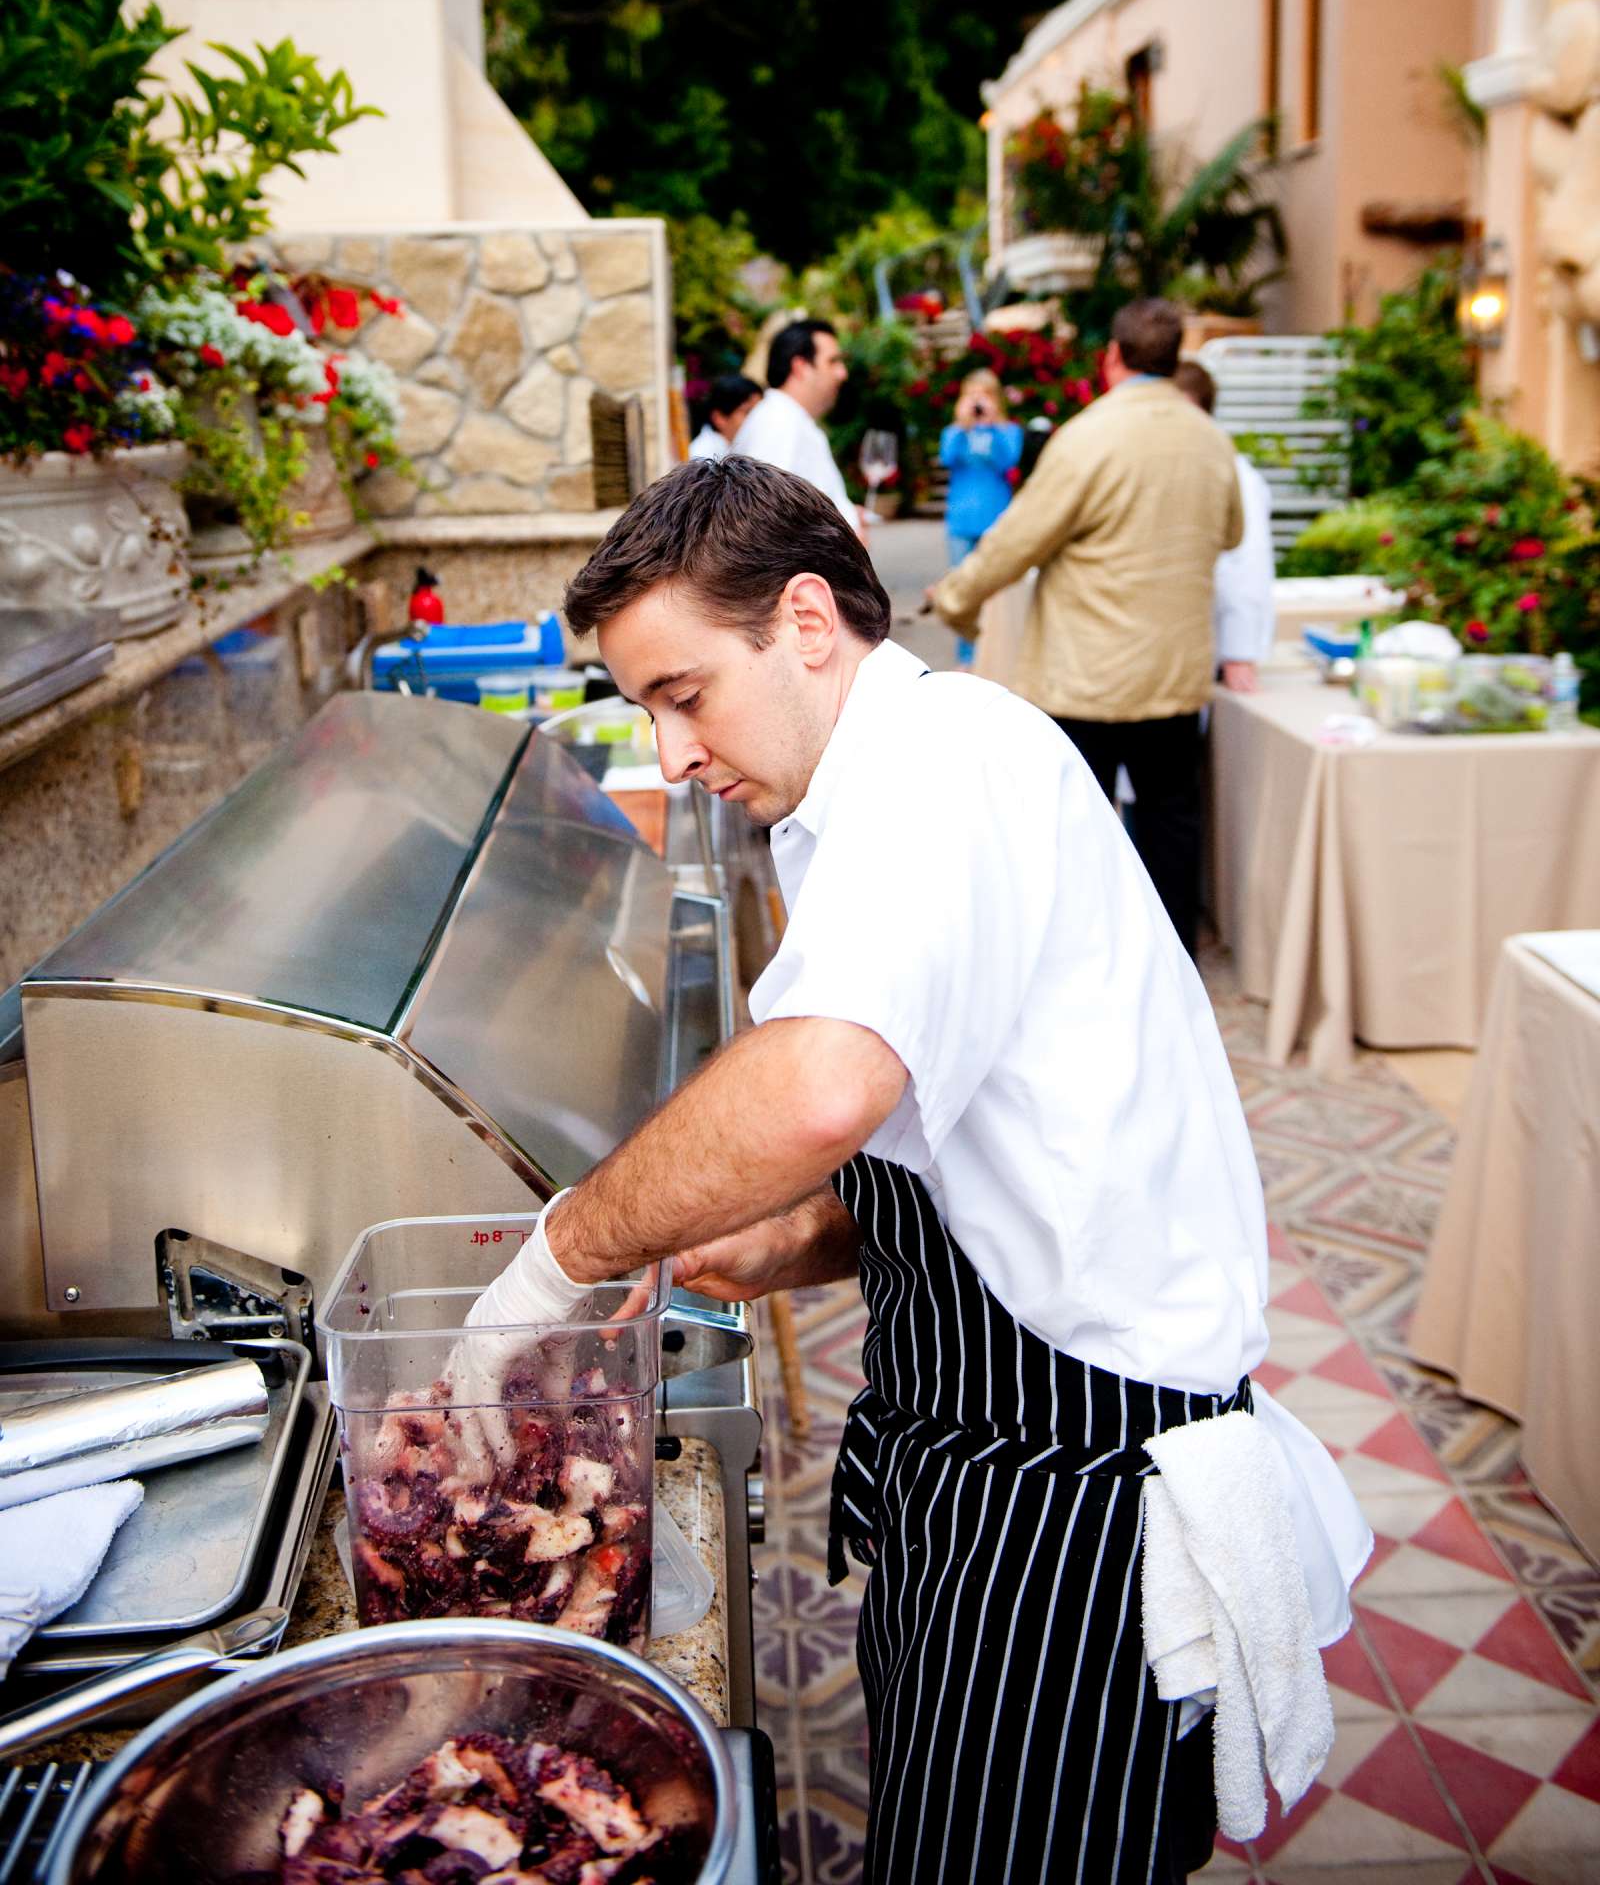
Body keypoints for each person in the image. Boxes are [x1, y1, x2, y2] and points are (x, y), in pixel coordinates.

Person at [463, 457, 1368, 1885]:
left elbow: (827, 1083)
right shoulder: (874, 788)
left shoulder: (949, 770)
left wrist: (557, 1256)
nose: (676, 753)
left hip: (1070, 1488)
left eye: (683, 694)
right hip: (978, 1442)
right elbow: (966, 1143)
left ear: (807, 621)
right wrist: (786, 1246)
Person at [928, 298, 1242, 957]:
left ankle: (1087, 960)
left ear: (1112, 359)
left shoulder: (1090, 435)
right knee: (1170, 822)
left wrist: (957, 599)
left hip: (1086, 674)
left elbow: (1017, 539)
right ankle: (1172, 958)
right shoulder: (1210, 439)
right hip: (1175, 673)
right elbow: (1233, 530)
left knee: (1077, 828)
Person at [1174, 359, 1276, 689]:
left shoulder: (1232, 473)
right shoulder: (1177, 466)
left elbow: (1248, 564)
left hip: (1215, 658)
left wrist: (1239, 653)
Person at [731, 317, 858, 528]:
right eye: (833, 361)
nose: (842, 373)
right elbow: (763, 522)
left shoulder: (789, 419)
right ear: (801, 367)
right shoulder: (777, 422)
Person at [938, 368, 1023, 667]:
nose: (978, 401)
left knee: (997, 591)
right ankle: (968, 655)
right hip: (961, 522)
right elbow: (947, 457)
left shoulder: (1008, 431)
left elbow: (1009, 461)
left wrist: (992, 425)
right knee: (964, 589)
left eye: (984, 395)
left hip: (995, 520)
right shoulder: (954, 433)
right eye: (971, 394)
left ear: (996, 399)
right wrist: (963, 426)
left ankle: (997, 651)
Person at [687, 373, 761, 462]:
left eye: (759, 412)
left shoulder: (735, 449)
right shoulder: (702, 458)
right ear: (719, 418)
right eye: (747, 412)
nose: (756, 418)